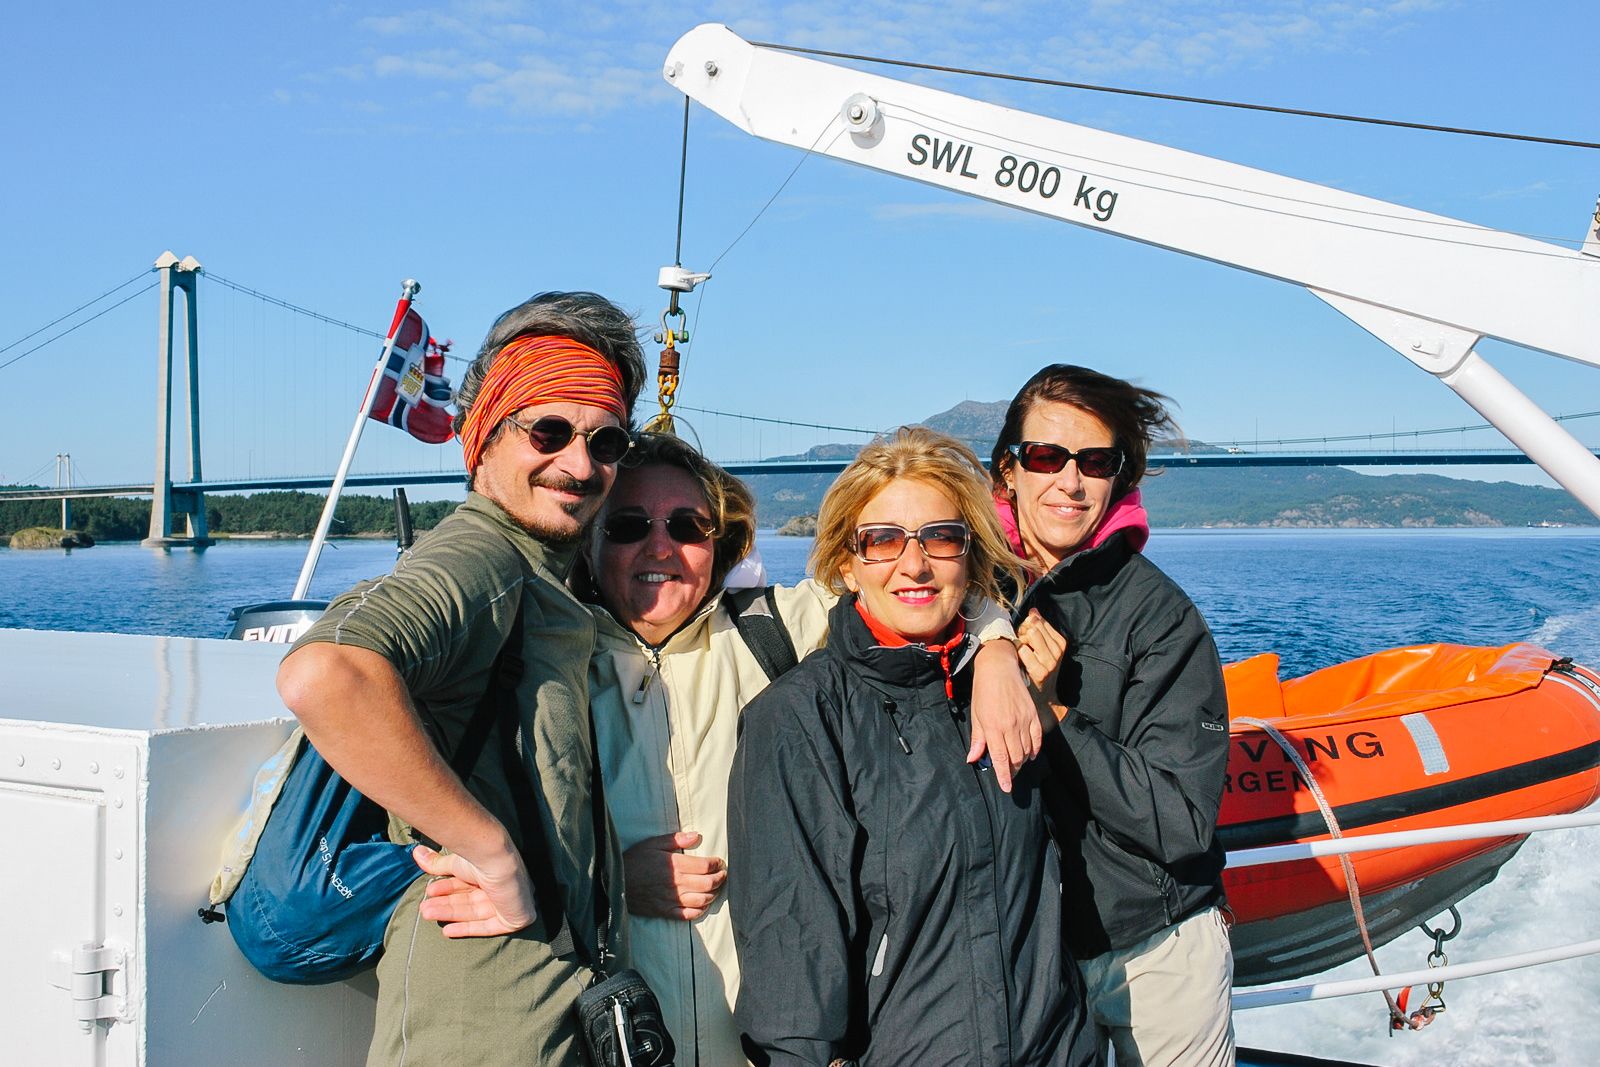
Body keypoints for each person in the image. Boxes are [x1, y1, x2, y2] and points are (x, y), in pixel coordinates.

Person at [582, 430, 1042, 1066]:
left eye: (688, 525)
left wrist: (994, 649)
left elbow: (919, 588)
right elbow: (484, 854)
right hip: (615, 1042)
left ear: (720, 543)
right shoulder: (551, 669)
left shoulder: (772, 629)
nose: (661, 546)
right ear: (592, 537)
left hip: (760, 1049)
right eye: (630, 525)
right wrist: (609, 881)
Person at [275, 291, 646, 1066]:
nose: (580, 465)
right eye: (547, 430)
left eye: (606, 441)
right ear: (483, 435)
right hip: (481, 1020)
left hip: (547, 1009)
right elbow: (326, 671)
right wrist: (489, 849)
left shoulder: (548, 575)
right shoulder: (483, 558)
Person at [727, 426, 1092, 1066]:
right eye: (883, 540)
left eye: (942, 537)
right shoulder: (800, 719)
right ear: (847, 563)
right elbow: (791, 949)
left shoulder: (998, 695)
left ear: (970, 558)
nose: (915, 564)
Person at [994, 364, 1234, 1067]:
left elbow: (1182, 819)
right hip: (1017, 957)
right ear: (1009, 469)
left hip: (1153, 948)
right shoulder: (962, 593)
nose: (1069, 481)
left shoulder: (1161, 618)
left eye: (1093, 462)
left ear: (1116, 478)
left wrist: (1057, 714)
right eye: (1046, 456)